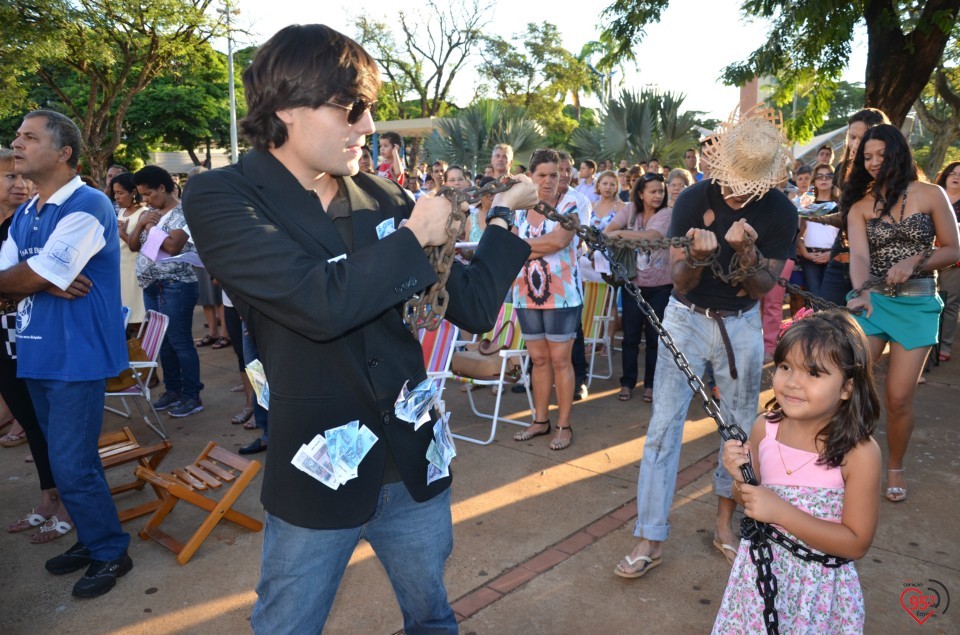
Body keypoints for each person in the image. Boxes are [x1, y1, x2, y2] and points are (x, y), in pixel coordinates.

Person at [180, 24, 536, 633]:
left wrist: (502, 221)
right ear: (288, 106)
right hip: (316, 469)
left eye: (369, 109)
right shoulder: (223, 196)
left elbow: (472, 307)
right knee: (286, 624)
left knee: (431, 614)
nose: (369, 126)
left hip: (413, 457)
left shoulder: (382, 194)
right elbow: (316, 302)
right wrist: (413, 235)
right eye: (352, 109)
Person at [615, 107, 798, 578]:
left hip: (742, 324)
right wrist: (697, 259)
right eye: (733, 178)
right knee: (662, 428)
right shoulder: (695, 197)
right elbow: (679, 281)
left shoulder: (780, 211)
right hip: (687, 318)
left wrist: (746, 252)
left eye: (747, 183)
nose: (736, 189)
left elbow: (762, 288)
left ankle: (724, 525)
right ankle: (649, 536)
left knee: (737, 431)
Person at [0, 110, 130, 597]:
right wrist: (41, 277)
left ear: (64, 152)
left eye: (29, 137)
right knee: (67, 461)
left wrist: (37, 278)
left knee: (72, 464)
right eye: (17, 137)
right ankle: (96, 538)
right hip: (37, 352)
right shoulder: (29, 213)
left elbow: (28, 279)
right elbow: (19, 278)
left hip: (76, 356)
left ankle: (111, 551)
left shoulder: (88, 203)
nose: (17, 144)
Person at [714, 310, 881, 634]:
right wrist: (738, 477)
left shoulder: (859, 453)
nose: (792, 382)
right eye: (785, 366)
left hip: (816, 591)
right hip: (758, 579)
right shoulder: (766, 429)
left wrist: (781, 512)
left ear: (847, 387)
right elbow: (750, 499)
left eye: (813, 373)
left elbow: (856, 542)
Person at [844, 124, 960, 502]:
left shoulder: (931, 194)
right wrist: (860, 293)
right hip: (874, 302)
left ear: (898, 153)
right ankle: (847, 458)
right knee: (852, 386)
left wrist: (916, 259)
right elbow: (860, 257)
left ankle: (895, 465)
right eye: (867, 157)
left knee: (897, 398)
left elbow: (953, 248)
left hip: (918, 303)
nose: (874, 163)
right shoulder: (860, 206)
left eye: (880, 154)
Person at [511, 148, 582, 451]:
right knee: (538, 360)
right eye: (542, 175)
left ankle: (564, 425)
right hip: (526, 293)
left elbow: (558, 241)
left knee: (560, 360)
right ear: (531, 176)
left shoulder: (569, 204)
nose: (550, 180)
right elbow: (512, 244)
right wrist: (535, 247)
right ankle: (541, 420)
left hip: (562, 295)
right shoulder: (519, 208)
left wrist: (521, 247)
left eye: (555, 174)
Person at [128, 165, 204, 418]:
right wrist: (141, 224)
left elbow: (172, 246)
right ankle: (173, 390)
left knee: (180, 341)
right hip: (152, 286)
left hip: (176, 286)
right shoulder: (150, 213)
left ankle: (192, 395)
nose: (146, 200)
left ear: (163, 187)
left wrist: (150, 227)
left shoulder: (183, 212)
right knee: (164, 343)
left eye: (149, 194)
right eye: (142, 196)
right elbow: (132, 245)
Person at [604, 172, 673, 403]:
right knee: (630, 336)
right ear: (641, 193)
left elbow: (652, 237)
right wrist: (619, 231)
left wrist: (622, 233)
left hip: (661, 285)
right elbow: (607, 231)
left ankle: (651, 384)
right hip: (633, 284)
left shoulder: (666, 213)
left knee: (655, 337)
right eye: (652, 191)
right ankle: (627, 382)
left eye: (660, 191)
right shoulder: (630, 210)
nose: (658, 195)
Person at [818, 108, 891, 306]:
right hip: (842, 252)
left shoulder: (891, 173)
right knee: (826, 316)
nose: (855, 144)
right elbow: (848, 215)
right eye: (852, 137)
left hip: (878, 261)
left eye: (863, 137)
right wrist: (820, 217)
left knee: (865, 324)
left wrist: (828, 219)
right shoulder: (843, 168)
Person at [110, 172, 148, 334]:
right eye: (115, 193)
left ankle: (145, 355)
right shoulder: (121, 212)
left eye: (120, 193)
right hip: (121, 270)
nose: (117, 198)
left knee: (139, 319)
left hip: (135, 272)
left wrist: (122, 234)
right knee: (126, 318)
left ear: (133, 192)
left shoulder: (144, 213)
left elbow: (143, 246)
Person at [797, 163, 840, 299]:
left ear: (834, 180)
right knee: (814, 298)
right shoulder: (807, 205)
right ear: (814, 180)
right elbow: (798, 233)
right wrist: (805, 253)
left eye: (828, 176)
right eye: (819, 176)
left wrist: (832, 253)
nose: (824, 179)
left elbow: (845, 236)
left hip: (834, 257)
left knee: (831, 299)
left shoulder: (840, 205)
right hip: (811, 257)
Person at [934, 161, 960, 361]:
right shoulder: (934, 197)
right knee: (928, 301)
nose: (956, 176)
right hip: (929, 258)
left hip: (956, 262)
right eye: (953, 172)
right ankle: (928, 342)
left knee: (950, 303)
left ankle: (945, 345)